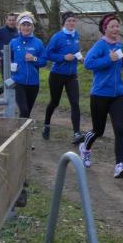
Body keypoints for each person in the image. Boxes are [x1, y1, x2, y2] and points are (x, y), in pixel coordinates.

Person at [79, 13, 123, 179]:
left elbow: (118, 65)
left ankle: (119, 165)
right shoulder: (100, 45)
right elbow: (88, 63)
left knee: (120, 129)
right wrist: (109, 58)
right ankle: (85, 149)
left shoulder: (120, 45)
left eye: (117, 26)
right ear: (105, 29)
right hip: (100, 94)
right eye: (112, 26)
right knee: (98, 130)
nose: (116, 29)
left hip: (118, 95)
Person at [42, 11, 84, 144]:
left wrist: (80, 57)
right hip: (57, 75)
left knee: (75, 103)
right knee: (54, 102)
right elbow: (47, 54)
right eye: (68, 21)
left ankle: (76, 133)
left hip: (72, 75)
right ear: (64, 23)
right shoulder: (57, 37)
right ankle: (46, 124)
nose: (71, 23)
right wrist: (63, 57)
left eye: (73, 20)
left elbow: (76, 50)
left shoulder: (76, 35)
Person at [9, 12, 47, 118]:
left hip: (33, 83)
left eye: (28, 25)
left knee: (27, 113)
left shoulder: (38, 42)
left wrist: (34, 59)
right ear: (19, 27)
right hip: (18, 82)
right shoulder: (13, 42)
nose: (26, 27)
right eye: (24, 25)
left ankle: (22, 127)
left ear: (32, 27)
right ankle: (21, 128)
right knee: (24, 110)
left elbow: (44, 61)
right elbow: (7, 59)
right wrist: (11, 65)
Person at [0, 12, 18, 97]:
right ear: (6, 20)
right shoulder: (0, 31)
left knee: (14, 80)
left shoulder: (19, 31)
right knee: (8, 80)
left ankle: (0, 90)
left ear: (16, 21)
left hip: (16, 60)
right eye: (10, 20)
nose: (11, 22)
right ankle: (9, 100)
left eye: (13, 20)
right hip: (3, 60)